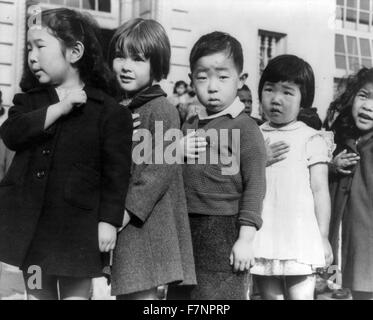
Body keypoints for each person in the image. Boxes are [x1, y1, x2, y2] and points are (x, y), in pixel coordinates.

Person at [0, 8, 133, 300]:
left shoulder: (108, 111)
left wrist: (108, 221)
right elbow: (12, 134)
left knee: (76, 297)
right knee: (36, 294)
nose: (32, 56)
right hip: (31, 231)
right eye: (29, 49)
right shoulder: (28, 102)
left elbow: (116, 173)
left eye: (40, 46)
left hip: (78, 233)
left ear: (74, 52)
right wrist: (59, 108)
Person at [108, 18, 196, 300]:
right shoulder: (122, 107)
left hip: (144, 221)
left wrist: (125, 212)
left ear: (156, 65)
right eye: (120, 56)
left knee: (140, 294)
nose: (125, 65)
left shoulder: (162, 109)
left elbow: (159, 169)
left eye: (137, 59)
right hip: (128, 219)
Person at [181, 31, 267, 300]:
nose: (212, 86)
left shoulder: (246, 127)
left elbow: (255, 186)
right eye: (203, 77)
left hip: (224, 229)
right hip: (185, 226)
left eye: (222, 76)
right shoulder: (188, 124)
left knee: (219, 300)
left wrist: (245, 239)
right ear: (191, 80)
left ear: (240, 80)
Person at [250, 54, 334, 300]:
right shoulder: (252, 134)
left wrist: (323, 237)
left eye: (287, 92)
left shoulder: (311, 137)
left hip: (299, 236)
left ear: (303, 100)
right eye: (269, 90)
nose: (276, 99)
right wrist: (258, 159)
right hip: (264, 233)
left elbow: (320, 191)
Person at [328, 67, 373, 300]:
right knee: (336, 289)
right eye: (363, 96)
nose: (368, 106)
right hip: (341, 243)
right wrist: (331, 166)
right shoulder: (341, 140)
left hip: (367, 248)